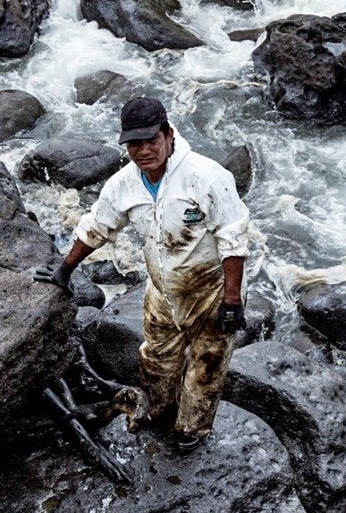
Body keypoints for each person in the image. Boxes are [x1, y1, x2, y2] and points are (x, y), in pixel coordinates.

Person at [33, 97, 250, 453]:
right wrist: (64, 269)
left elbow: (234, 238)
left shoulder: (208, 177)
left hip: (209, 290)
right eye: (135, 143)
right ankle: (160, 408)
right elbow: (97, 226)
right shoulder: (124, 184)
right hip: (162, 290)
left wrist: (231, 300)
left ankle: (191, 431)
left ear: (168, 135)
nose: (144, 150)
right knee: (155, 357)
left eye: (152, 141)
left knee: (206, 367)